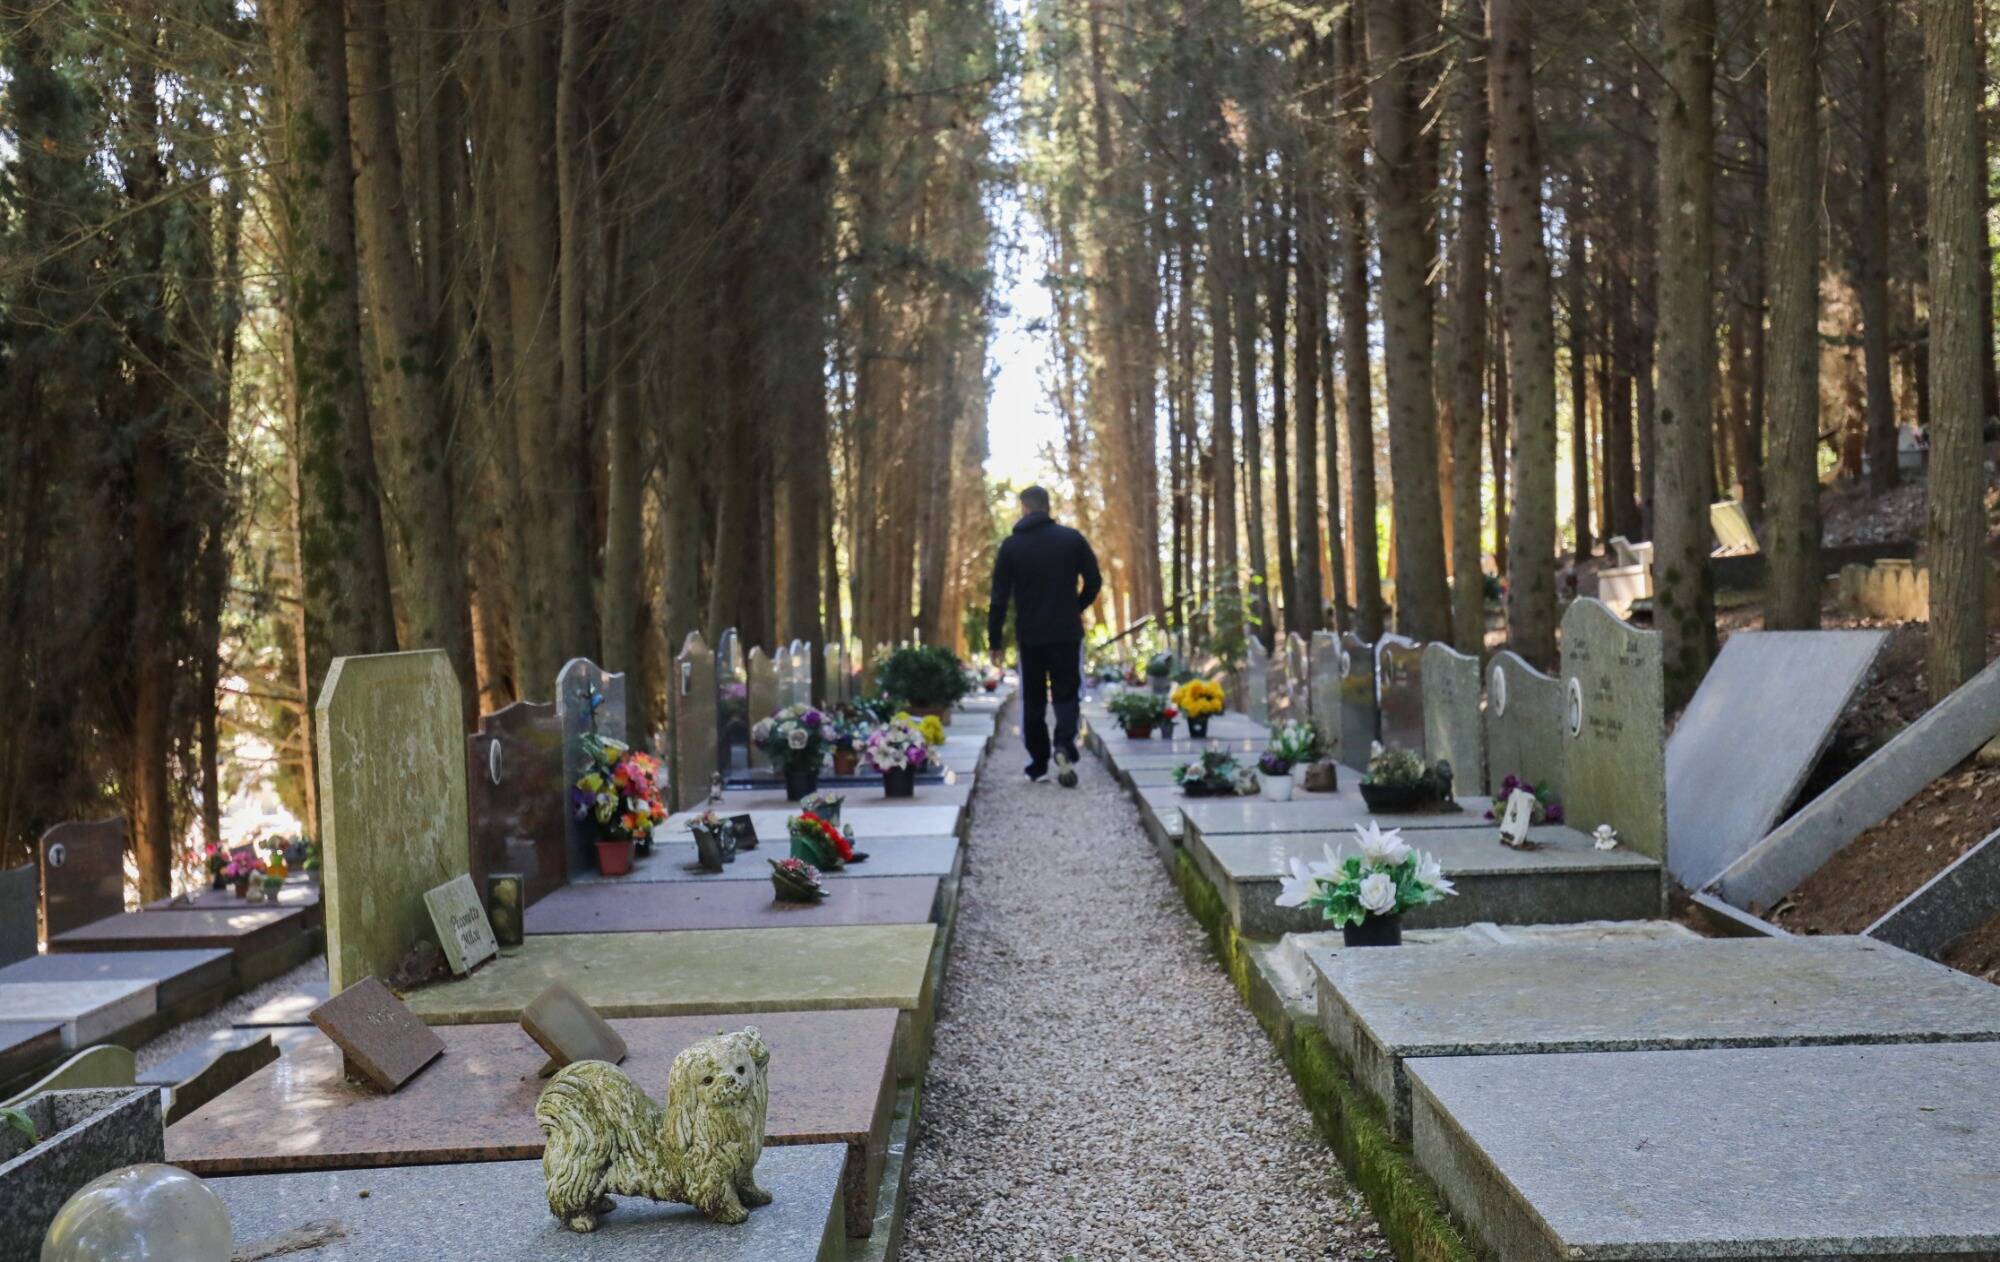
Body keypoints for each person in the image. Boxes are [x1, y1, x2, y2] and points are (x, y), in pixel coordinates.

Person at [988, 485, 1102, 786]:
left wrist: (995, 642)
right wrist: (1074, 607)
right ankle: (1064, 744)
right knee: (1067, 692)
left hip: (1031, 636)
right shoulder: (1071, 540)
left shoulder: (1011, 546)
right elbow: (1094, 580)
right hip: (1066, 633)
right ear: (1047, 507)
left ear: (1024, 508)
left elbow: (998, 598)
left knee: (1033, 698)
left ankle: (1038, 763)